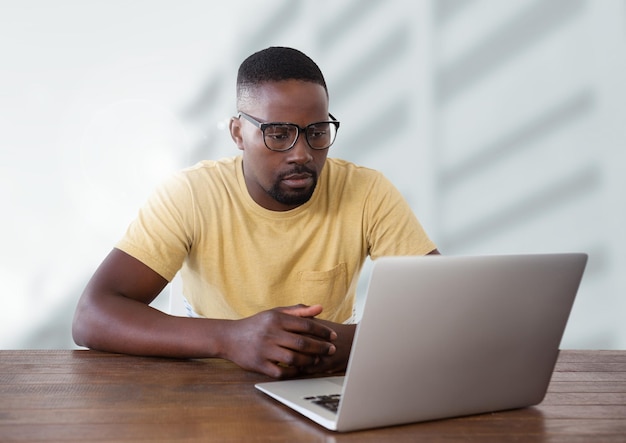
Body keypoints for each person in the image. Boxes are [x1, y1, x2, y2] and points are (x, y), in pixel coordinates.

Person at [72, 46, 439, 379]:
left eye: (317, 132)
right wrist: (230, 338)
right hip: (214, 383)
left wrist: (342, 344)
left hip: (324, 380)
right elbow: (92, 316)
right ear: (237, 133)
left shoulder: (367, 192)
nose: (302, 153)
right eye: (278, 134)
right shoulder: (192, 194)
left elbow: (441, 307)